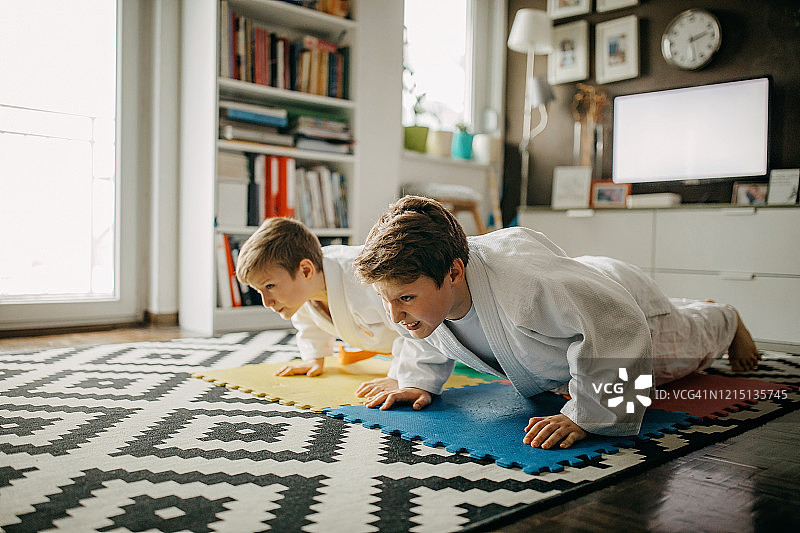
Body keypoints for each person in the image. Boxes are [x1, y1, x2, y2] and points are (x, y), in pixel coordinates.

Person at [352, 195, 761, 450]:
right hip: (569, 302)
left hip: (624, 304)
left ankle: (722, 315)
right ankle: (693, 308)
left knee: (677, 359)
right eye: (385, 299)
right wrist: (415, 379)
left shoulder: (524, 287)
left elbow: (618, 326)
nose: (395, 314)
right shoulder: (427, 285)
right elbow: (425, 329)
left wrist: (587, 414)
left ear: (454, 272)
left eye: (405, 298)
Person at [235, 217, 399, 386]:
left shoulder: (368, 280)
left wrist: (400, 377)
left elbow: (413, 329)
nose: (266, 302)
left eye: (269, 286)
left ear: (305, 271)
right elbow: (308, 325)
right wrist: (314, 358)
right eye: (258, 291)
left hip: (423, 341)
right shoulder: (305, 290)